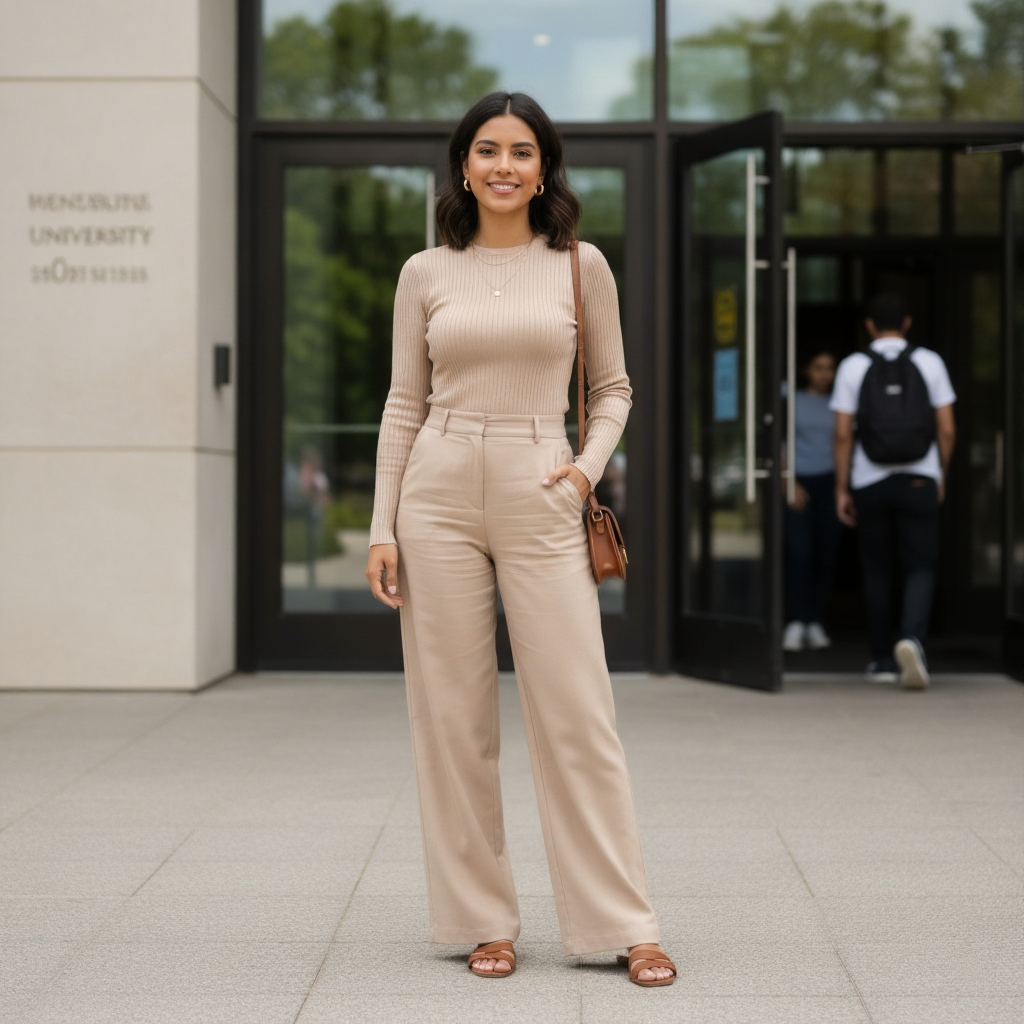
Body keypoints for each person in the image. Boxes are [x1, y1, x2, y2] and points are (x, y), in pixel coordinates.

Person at [364, 93, 675, 987]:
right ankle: (480, 920)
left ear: (546, 169)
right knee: (451, 719)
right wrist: (383, 524)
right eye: (488, 150)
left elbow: (613, 387)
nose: (505, 166)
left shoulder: (582, 265)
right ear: (463, 165)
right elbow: (401, 404)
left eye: (523, 152)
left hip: (542, 487)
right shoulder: (424, 271)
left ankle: (624, 923)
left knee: (578, 713)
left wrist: (583, 472)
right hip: (438, 487)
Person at [832, 293, 956, 688]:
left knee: (877, 569)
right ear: (906, 323)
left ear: (869, 326)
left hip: (870, 480)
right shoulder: (929, 361)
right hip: (919, 477)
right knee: (920, 565)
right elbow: (947, 429)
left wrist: (841, 487)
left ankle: (883, 661)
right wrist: (939, 474)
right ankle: (912, 639)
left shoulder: (853, 366)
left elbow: (841, 434)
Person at [783, 349, 843, 653]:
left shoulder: (841, 402)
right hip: (799, 483)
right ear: (807, 370)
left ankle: (815, 621)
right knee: (800, 554)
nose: (824, 373)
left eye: (830, 367)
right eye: (818, 367)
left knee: (825, 555)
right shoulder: (792, 400)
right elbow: (779, 440)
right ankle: (796, 621)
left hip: (830, 483)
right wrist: (789, 481)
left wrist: (843, 487)